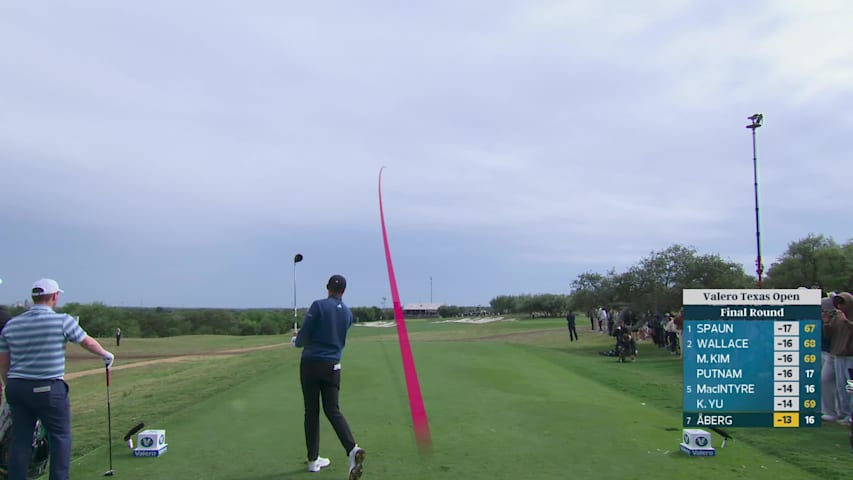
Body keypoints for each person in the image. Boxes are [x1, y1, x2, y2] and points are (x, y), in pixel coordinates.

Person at [0, 278, 114, 480]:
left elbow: (3, 363)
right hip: (48, 389)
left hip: (17, 388)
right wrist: (106, 354)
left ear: (33, 298)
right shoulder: (63, 320)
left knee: (21, 438)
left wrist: (11, 387)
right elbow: (86, 342)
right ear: (54, 297)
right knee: (60, 436)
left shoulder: (11, 325)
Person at [292, 275, 365, 479]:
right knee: (333, 410)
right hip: (333, 366)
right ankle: (352, 449)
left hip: (311, 365)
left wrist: (295, 341)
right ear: (344, 290)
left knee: (312, 412)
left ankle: (313, 461)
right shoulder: (348, 314)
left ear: (327, 288)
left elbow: (304, 337)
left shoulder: (318, 306)